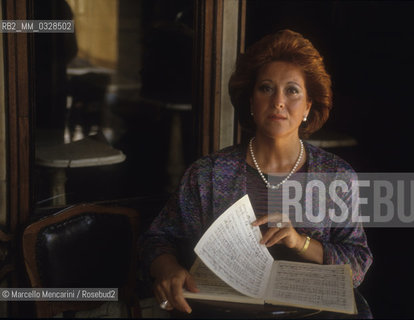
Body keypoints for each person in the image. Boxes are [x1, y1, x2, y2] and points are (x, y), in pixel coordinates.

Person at [139, 29, 373, 314]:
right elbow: (156, 239)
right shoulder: (208, 174)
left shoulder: (337, 176)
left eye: (292, 90)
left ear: (308, 106)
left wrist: (300, 242)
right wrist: (168, 268)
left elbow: (357, 264)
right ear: (251, 102)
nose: (278, 101)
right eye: (266, 88)